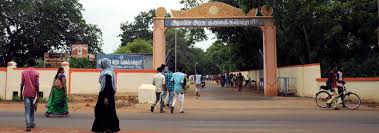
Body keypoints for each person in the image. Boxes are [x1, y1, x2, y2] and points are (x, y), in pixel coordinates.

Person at [92, 58, 120, 133]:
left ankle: (104, 128)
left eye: (102, 63)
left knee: (99, 110)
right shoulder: (109, 72)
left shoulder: (107, 73)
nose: (101, 64)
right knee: (108, 111)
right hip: (108, 94)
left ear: (105, 64)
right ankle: (109, 127)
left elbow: (108, 86)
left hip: (105, 94)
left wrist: (106, 98)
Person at [20, 58, 39, 132]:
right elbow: (37, 85)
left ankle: (28, 124)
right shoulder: (36, 73)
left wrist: (21, 94)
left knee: (27, 109)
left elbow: (22, 84)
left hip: (26, 93)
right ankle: (31, 123)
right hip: (34, 94)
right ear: (34, 64)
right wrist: (38, 94)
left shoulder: (24, 72)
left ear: (28, 64)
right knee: (32, 109)